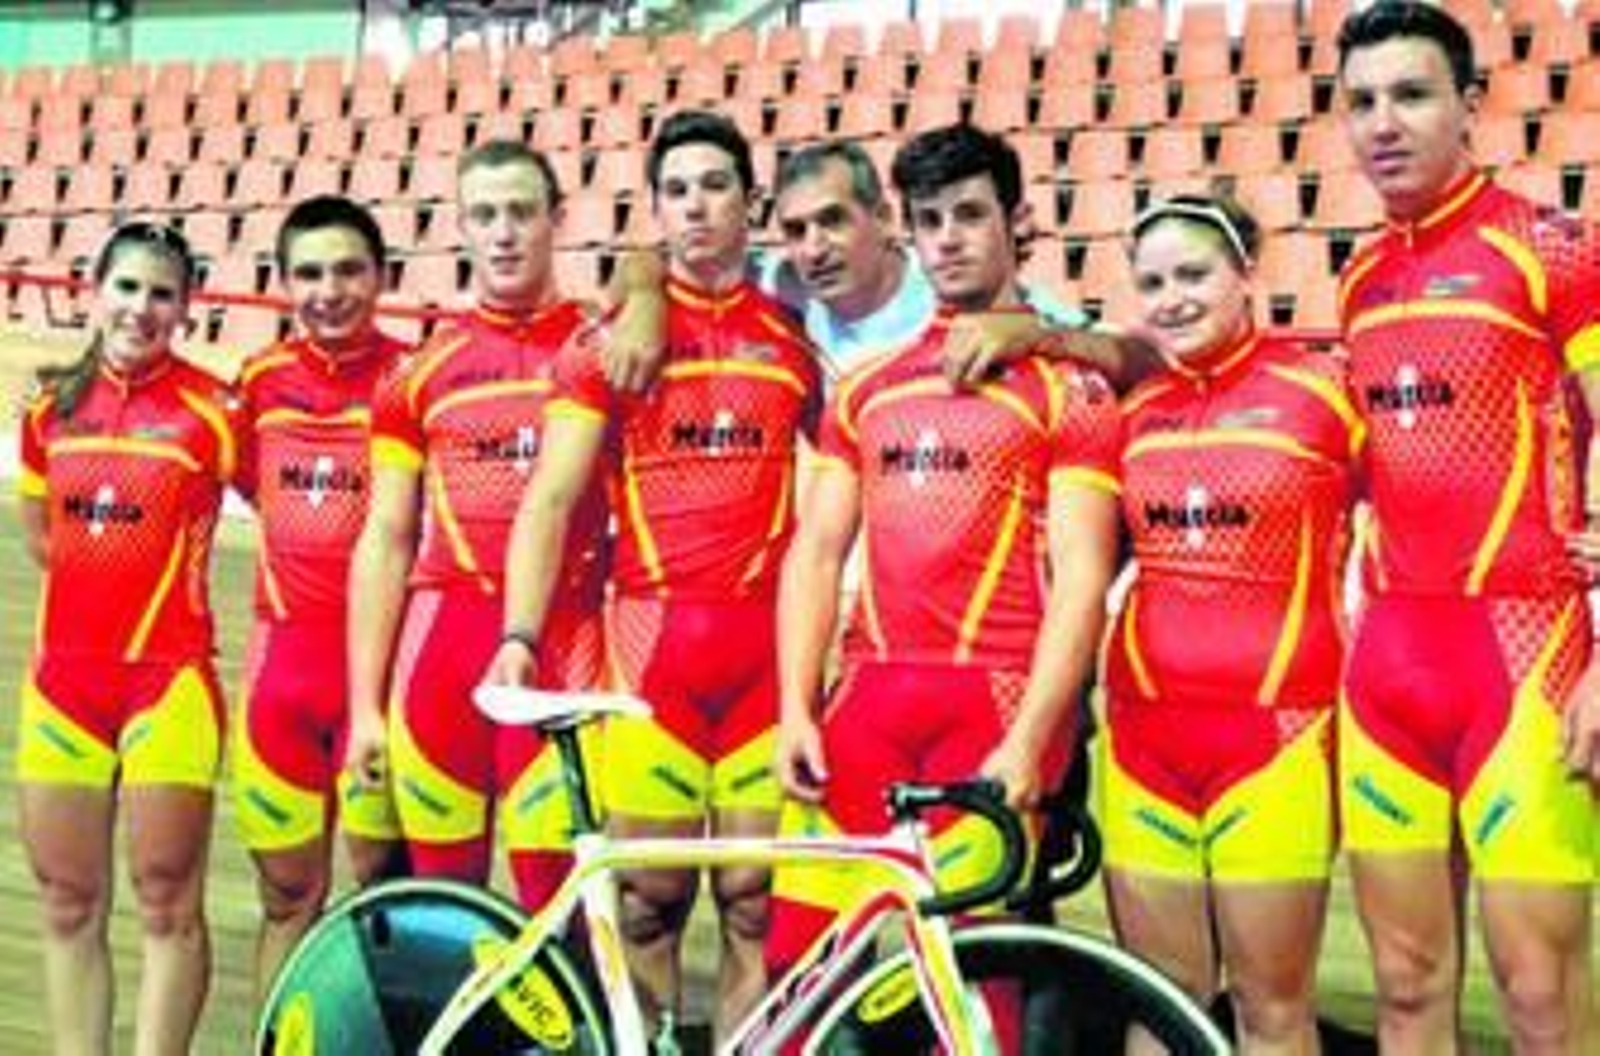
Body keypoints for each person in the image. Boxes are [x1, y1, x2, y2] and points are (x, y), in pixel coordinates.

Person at [767, 123, 1120, 1032]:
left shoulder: (1067, 389)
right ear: (908, 233)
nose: (950, 238)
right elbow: (816, 551)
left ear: (1017, 223)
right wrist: (797, 707)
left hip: (994, 709)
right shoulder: (867, 388)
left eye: (970, 214)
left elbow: (1082, 581)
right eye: (930, 220)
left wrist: (1033, 739)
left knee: (974, 988)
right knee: (797, 966)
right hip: (865, 704)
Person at [484, 109, 820, 1045]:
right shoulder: (610, 344)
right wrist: (518, 635)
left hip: (762, 662)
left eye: (715, 186)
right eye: (676, 191)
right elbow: (550, 499)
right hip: (650, 657)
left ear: (750, 203)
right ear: (657, 210)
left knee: (755, 907)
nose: (696, 207)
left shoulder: (797, 339)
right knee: (645, 907)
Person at [1335, 3, 1600, 1051]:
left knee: (1541, 998)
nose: (1382, 123)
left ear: (1469, 105)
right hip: (1390, 663)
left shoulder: (1551, 250)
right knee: (1405, 989)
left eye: (1410, 95)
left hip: (1525, 655)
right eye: (1361, 101)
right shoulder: (1360, 278)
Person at [1102, 195, 1360, 1054]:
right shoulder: (1132, 412)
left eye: (1193, 274)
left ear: (1245, 273)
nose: (1172, 298)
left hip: (1278, 740)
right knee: (1160, 1007)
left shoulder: (1326, 392)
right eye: (1152, 284)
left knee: (1270, 1011)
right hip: (1143, 741)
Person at [343, 141, 607, 910]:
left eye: (521, 212)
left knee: (560, 905)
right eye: (484, 215)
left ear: (557, 220)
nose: (504, 233)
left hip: (563, 642)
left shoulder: (601, 349)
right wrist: (364, 706)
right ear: (461, 227)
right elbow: (386, 538)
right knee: (441, 908)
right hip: (441, 649)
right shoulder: (419, 372)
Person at [15, 222, 236, 1055]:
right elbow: (43, 537)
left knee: (168, 905)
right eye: (127, 287)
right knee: (67, 903)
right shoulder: (48, 411)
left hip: (167, 688)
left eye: (161, 294)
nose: (141, 308)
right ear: (93, 290)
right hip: (61, 689)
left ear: (186, 308)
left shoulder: (215, 413)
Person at [231, 196, 409, 1005]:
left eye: (347, 271)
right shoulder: (260, 381)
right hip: (283, 678)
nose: (328, 291)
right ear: (283, 282)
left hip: (381, 677)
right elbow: (250, 482)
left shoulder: (411, 378)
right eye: (308, 273)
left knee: (386, 893)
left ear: (382, 276)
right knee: (286, 898)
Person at [604, 138, 1156, 397]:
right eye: (796, 230)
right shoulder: (780, 279)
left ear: (885, 219)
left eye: (833, 221)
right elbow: (656, 260)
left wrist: (1035, 333)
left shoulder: (947, 282)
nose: (814, 248)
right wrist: (645, 295)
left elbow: (1140, 358)